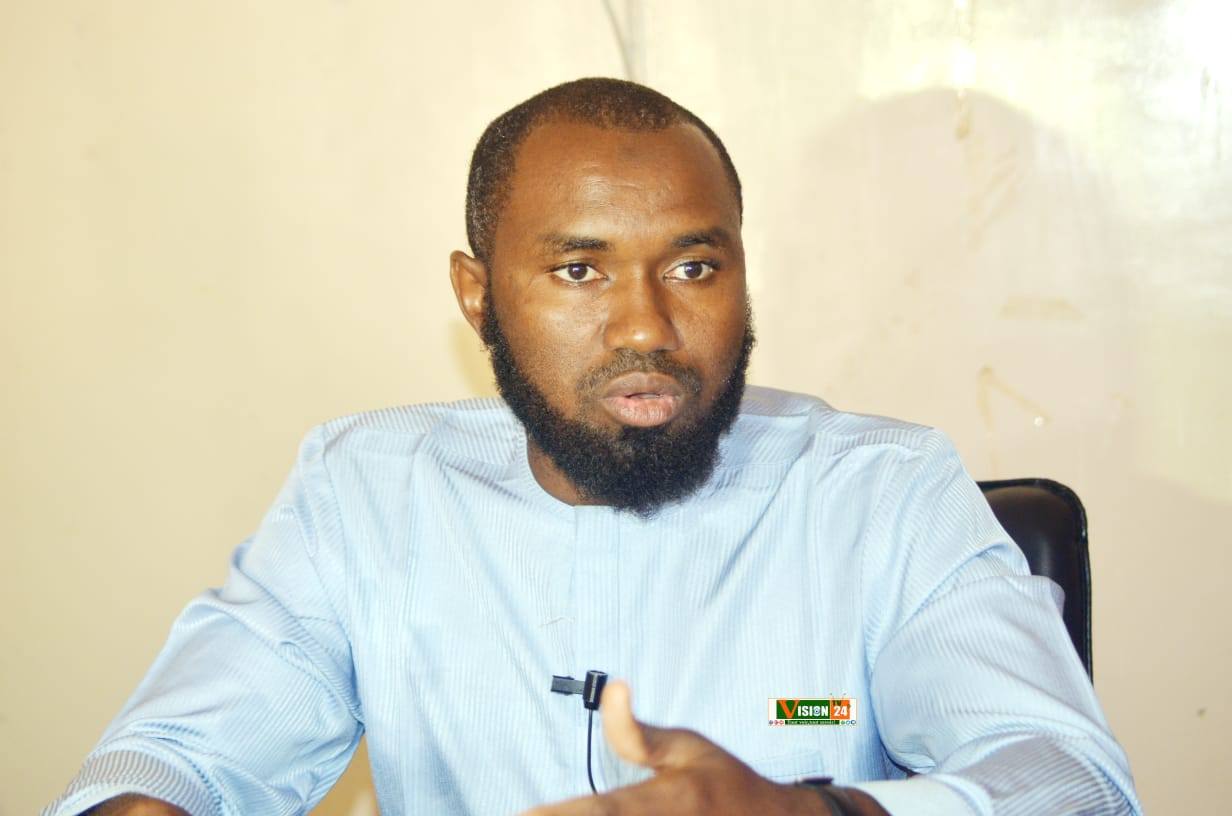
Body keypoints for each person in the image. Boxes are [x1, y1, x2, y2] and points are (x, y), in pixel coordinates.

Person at [46, 78, 1141, 816]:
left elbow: (1067, 780)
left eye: (694, 268)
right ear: (477, 294)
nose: (644, 329)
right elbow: (180, 757)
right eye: (579, 271)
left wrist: (817, 813)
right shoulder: (368, 491)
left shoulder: (879, 492)